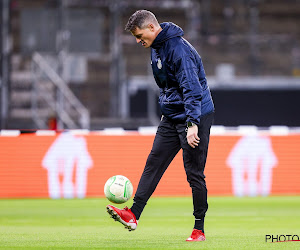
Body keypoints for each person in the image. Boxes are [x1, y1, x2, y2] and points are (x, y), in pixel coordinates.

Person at [106, 10, 214, 242]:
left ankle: (199, 229)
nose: (137, 40)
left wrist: (193, 124)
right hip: (173, 115)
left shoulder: (179, 51)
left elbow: (192, 90)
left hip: (195, 116)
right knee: (154, 162)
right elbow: (170, 87)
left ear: (153, 28)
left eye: (139, 35)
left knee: (194, 174)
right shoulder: (156, 47)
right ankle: (133, 214)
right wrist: (168, 110)